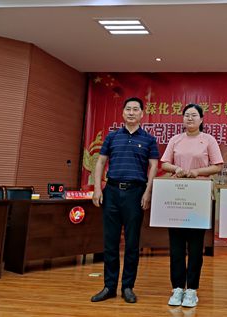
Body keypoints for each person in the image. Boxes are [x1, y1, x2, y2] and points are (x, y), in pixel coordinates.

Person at [91, 97, 159, 304]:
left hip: (135, 193)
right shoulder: (112, 137)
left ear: (142, 114)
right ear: (122, 113)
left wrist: (147, 192)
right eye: (128, 109)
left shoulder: (148, 139)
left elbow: (153, 167)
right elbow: (100, 162)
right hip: (111, 191)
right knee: (110, 242)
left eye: (135, 109)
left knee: (131, 243)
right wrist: (97, 188)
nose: (131, 112)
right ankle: (109, 286)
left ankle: (128, 286)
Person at [161, 103, 224, 308]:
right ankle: (177, 288)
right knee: (176, 245)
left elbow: (218, 165)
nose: (190, 118)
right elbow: (164, 163)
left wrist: (197, 172)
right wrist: (177, 168)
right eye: (186, 115)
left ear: (201, 119)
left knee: (196, 246)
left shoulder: (208, 140)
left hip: (199, 196)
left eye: (194, 115)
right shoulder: (175, 139)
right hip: (177, 196)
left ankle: (192, 290)